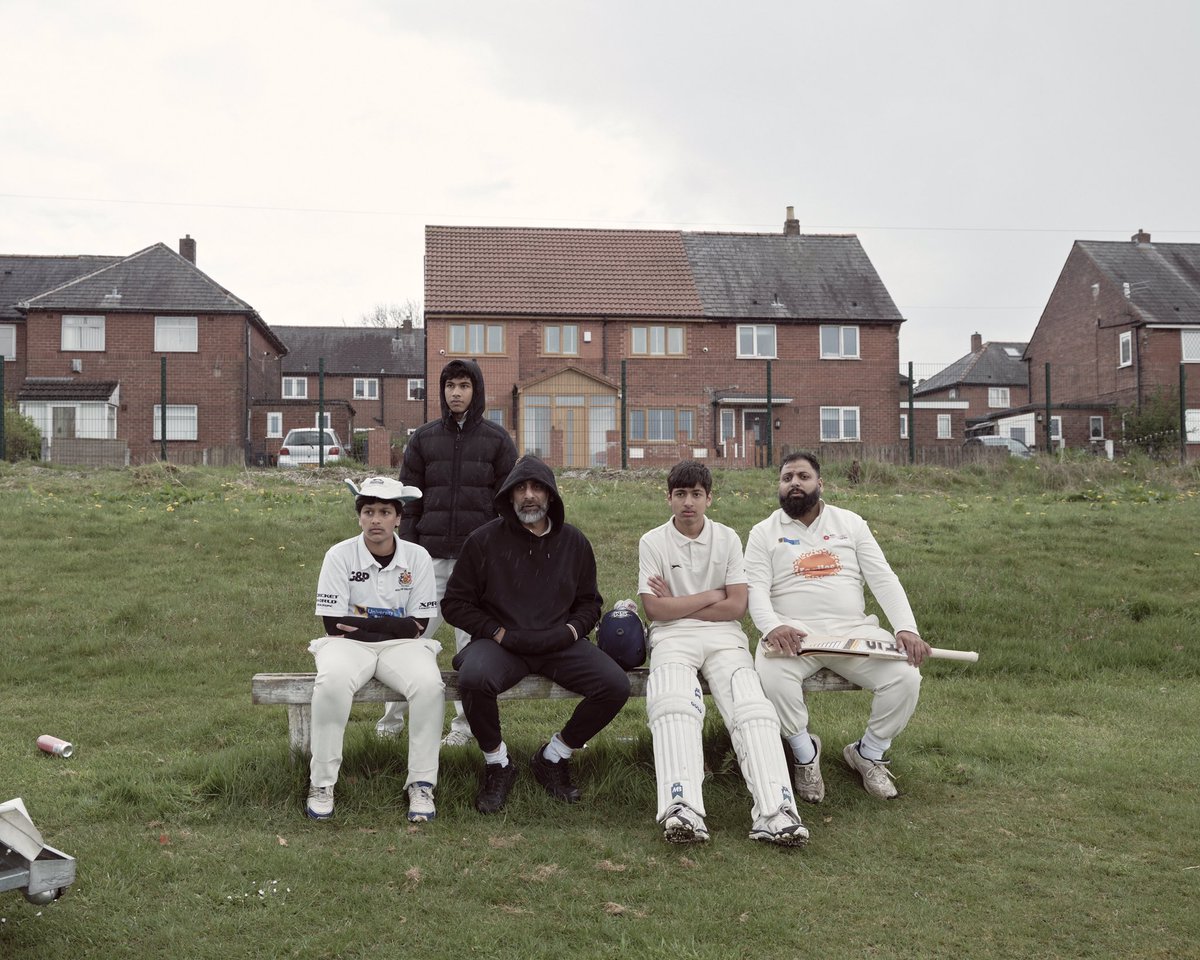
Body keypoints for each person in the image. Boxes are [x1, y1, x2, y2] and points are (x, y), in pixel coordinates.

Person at [441, 455, 631, 813]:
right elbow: (455, 604)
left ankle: (554, 757)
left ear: (551, 496)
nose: (529, 496)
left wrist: (571, 631)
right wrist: (496, 633)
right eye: (521, 488)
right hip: (502, 644)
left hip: (558, 644)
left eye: (537, 488)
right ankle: (498, 764)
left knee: (614, 685)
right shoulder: (483, 542)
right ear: (509, 496)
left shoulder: (574, 542)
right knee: (474, 677)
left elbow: (590, 602)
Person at [639, 459, 808, 847]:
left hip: (726, 638)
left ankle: (776, 812)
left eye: (696, 495)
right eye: (680, 494)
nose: (688, 503)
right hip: (671, 638)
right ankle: (682, 809)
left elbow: (736, 608)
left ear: (709, 498)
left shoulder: (729, 538)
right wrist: (712, 595)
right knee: (672, 703)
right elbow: (655, 610)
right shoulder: (652, 541)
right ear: (668, 498)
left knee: (753, 710)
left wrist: (680, 602)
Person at [745, 452, 931, 804]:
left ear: (820, 484)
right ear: (779, 486)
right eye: (787, 478)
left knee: (905, 676)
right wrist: (772, 626)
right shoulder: (763, 532)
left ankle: (869, 752)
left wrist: (906, 627)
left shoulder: (850, 524)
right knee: (771, 677)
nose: (794, 483)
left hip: (852, 633)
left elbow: (883, 579)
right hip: (795, 636)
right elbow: (754, 586)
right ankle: (804, 754)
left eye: (803, 476)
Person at [376, 359, 518, 746]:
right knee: (410, 640)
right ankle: (390, 723)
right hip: (429, 560)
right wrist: (406, 549)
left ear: (477, 391)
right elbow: (408, 501)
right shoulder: (423, 439)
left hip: (477, 564)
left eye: (463, 386)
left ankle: (464, 730)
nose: (455, 393)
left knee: (471, 649)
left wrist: (499, 552)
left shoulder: (497, 440)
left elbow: (508, 504)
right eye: (449, 386)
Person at [307, 476, 444, 822]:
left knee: (430, 685)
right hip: (347, 647)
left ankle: (422, 783)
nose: (376, 520)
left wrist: (362, 622)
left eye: (385, 511)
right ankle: (322, 784)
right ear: (359, 517)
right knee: (331, 682)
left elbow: (419, 627)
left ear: (399, 518)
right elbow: (332, 626)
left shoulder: (418, 557)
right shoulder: (339, 555)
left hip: (402, 648)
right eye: (368, 511)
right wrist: (393, 624)